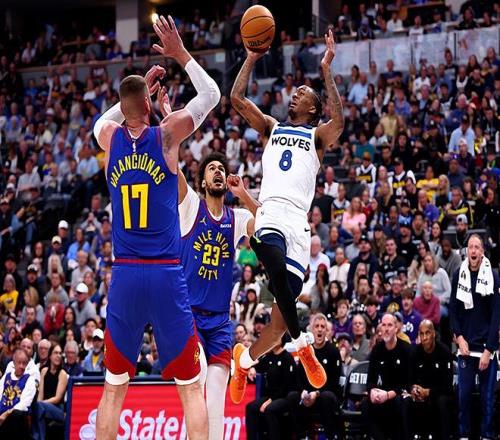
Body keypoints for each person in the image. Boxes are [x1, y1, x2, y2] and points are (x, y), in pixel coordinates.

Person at [92, 15, 219, 439]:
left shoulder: (110, 139)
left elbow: (101, 122)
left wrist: (136, 95)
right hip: (165, 273)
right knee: (191, 387)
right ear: (148, 105)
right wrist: (180, 53)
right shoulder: (165, 137)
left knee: (113, 388)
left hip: (125, 274)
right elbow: (211, 95)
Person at [229, 29, 344, 402]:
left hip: (298, 222)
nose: (295, 93)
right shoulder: (271, 127)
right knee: (275, 267)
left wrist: (326, 70)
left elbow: (339, 123)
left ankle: (244, 360)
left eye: (303, 93)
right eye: (296, 91)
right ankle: (302, 344)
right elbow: (236, 98)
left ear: (313, 108)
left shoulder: (317, 137)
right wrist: (251, 57)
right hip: (270, 212)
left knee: (278, 322)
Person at [177, 152, 254, 440]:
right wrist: (168, 130)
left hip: (220, 321)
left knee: (217, 398)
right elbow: (173, 168)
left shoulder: (236, 218)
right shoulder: (190, 207)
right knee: (198, 375)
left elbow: (267, 222)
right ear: (202, 181)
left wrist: (243, 194)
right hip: (190, 316)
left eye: (222, 168)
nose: (218, 172)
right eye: (212, 168)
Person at [449, 234, 499, 439]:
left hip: (486, 348)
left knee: (487, 400)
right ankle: (463, 435)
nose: (474, 251)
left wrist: (489, 349)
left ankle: (487, 435)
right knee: (463, 398)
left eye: (477, 247)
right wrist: (459, 338)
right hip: (465, 348)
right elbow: (453, 311)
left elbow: (496, 315)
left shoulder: (493, 275)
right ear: (466, 251)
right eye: (470, 247)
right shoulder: (458, 275)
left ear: (482, 251)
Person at [288, 314, 343, 439]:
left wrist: (316, 393)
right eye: (317, 326)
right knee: (292, 396)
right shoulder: (306, 351)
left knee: (326, 397)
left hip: (324, 394)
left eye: (322, 327)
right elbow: (299, 377)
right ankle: (301, 436)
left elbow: (334, 382)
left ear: (326, 331)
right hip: (308, 395)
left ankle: (329, 436)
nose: (319, 329)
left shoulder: (333, 351)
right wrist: (303, 392)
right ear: (312, 330)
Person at [362, 313, 411, 439]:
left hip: (397, 394)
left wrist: (388, 395)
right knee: (366, 403)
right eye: (384, 325)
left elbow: (408, 383)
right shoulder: (377, 350)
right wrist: (372, 391)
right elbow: (370, 380)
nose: (386, 329)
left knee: (401, 402)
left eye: (390, 325)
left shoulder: (406, 349)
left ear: (396, 328)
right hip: (381, 394)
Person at [245, 336, 296, 440]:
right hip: (269, 396)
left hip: (284, 397)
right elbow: (259, 367)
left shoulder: (287, 358)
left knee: (269, 409)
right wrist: (253, 369)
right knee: (250, 407)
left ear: (282, 339)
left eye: (276, 336)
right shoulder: (269, 357)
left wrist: (270, 401)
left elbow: (287, 385)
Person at [410, 320, 454, 439]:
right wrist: (414, 389)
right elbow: (410, 379)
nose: (424, 338)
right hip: (420, 394)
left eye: (427, 333)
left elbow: (448, 387)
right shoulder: (415, 352)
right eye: (421, 334)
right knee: (406, 401)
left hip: (439, 394)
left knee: (442, 401)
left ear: (433, 334)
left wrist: (429, 392)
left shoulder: (444, 352)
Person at [33, 344, 69, 440]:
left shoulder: (62, 374)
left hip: (58, 410)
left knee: (38, 406)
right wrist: (39, 404)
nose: (58, 356)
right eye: (55, 353)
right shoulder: (44, 371)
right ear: (50, 356)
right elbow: (40, 395)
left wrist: (41, 404)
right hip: (43, 407)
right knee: (37, 408)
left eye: (60, 353)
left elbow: (57, 398)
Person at [0, 348, 37, 438]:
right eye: (19, 362)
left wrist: (6, 414)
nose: (21, 366)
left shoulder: (29, 379)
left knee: (16, 414)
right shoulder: (6, 377)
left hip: (16, 417)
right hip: (1, 413)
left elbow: (24, 404)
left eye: (24, 363)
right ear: (14, 363)